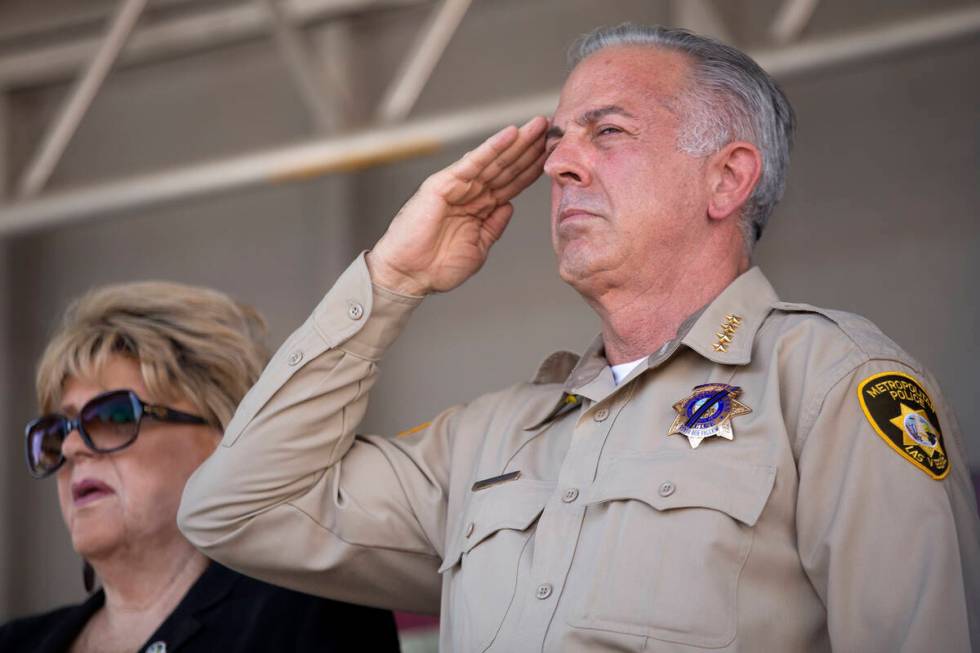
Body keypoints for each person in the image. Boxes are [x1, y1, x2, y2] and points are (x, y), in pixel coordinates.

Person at [178, 24, 980, 652]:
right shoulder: (489, 439)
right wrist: (391, 277)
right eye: (559, 140)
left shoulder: (831, 383)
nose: (560, 165)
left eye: (608, 132)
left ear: (727, 179)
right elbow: (234, 507)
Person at [0, 281, 400, 652]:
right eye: (57, 429)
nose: (70, 448)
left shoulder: (311, 612)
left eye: (114, 417)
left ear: (223, 439)